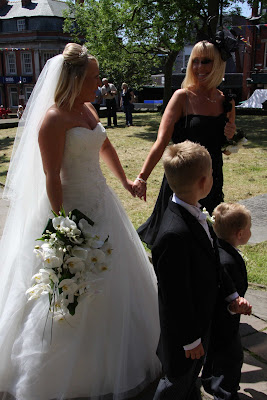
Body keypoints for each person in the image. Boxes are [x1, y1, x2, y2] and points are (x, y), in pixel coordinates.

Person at [0, 43, 160, 400]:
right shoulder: (53, 120)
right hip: (72, 212)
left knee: (117, 279)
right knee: (73, 288)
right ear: (73, 78)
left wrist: (126, 182)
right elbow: (52, 176)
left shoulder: (87, 109)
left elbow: (104, 147)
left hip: (102, 203)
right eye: (93, 77)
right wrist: (61, 227)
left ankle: (117, 353)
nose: (99, 82)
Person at [152, 141, 251, 400]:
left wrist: (231, 296)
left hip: (201, 324)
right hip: (185, 336)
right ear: (204, 182)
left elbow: (213, 262)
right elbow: (175, 296)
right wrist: (190, 339)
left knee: (188, 381)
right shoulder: (174, 234)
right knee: (175, 383)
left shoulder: (194, 214)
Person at [134, 40, 237, 247]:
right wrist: (142, 178)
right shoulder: (182, 97)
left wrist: (230, 135)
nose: (199, 67)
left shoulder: (226, 101)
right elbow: (161, 141)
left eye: (206, 61)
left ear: (217, 64)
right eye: (195, 61)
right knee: (175, 239)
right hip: (181, 177)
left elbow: (225, 149)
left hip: (211, 178)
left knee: (209, 238)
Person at [201, 203, 251, 400]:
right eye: (249, 228)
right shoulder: (227, 262)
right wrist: (233, 307)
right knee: (231, 359)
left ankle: (208, 380)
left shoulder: (218, 249)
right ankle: (225, 393)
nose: (250, 232)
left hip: (213, 324)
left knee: (212, 353)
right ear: (239, 234)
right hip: (224, 322)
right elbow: (222, 292)